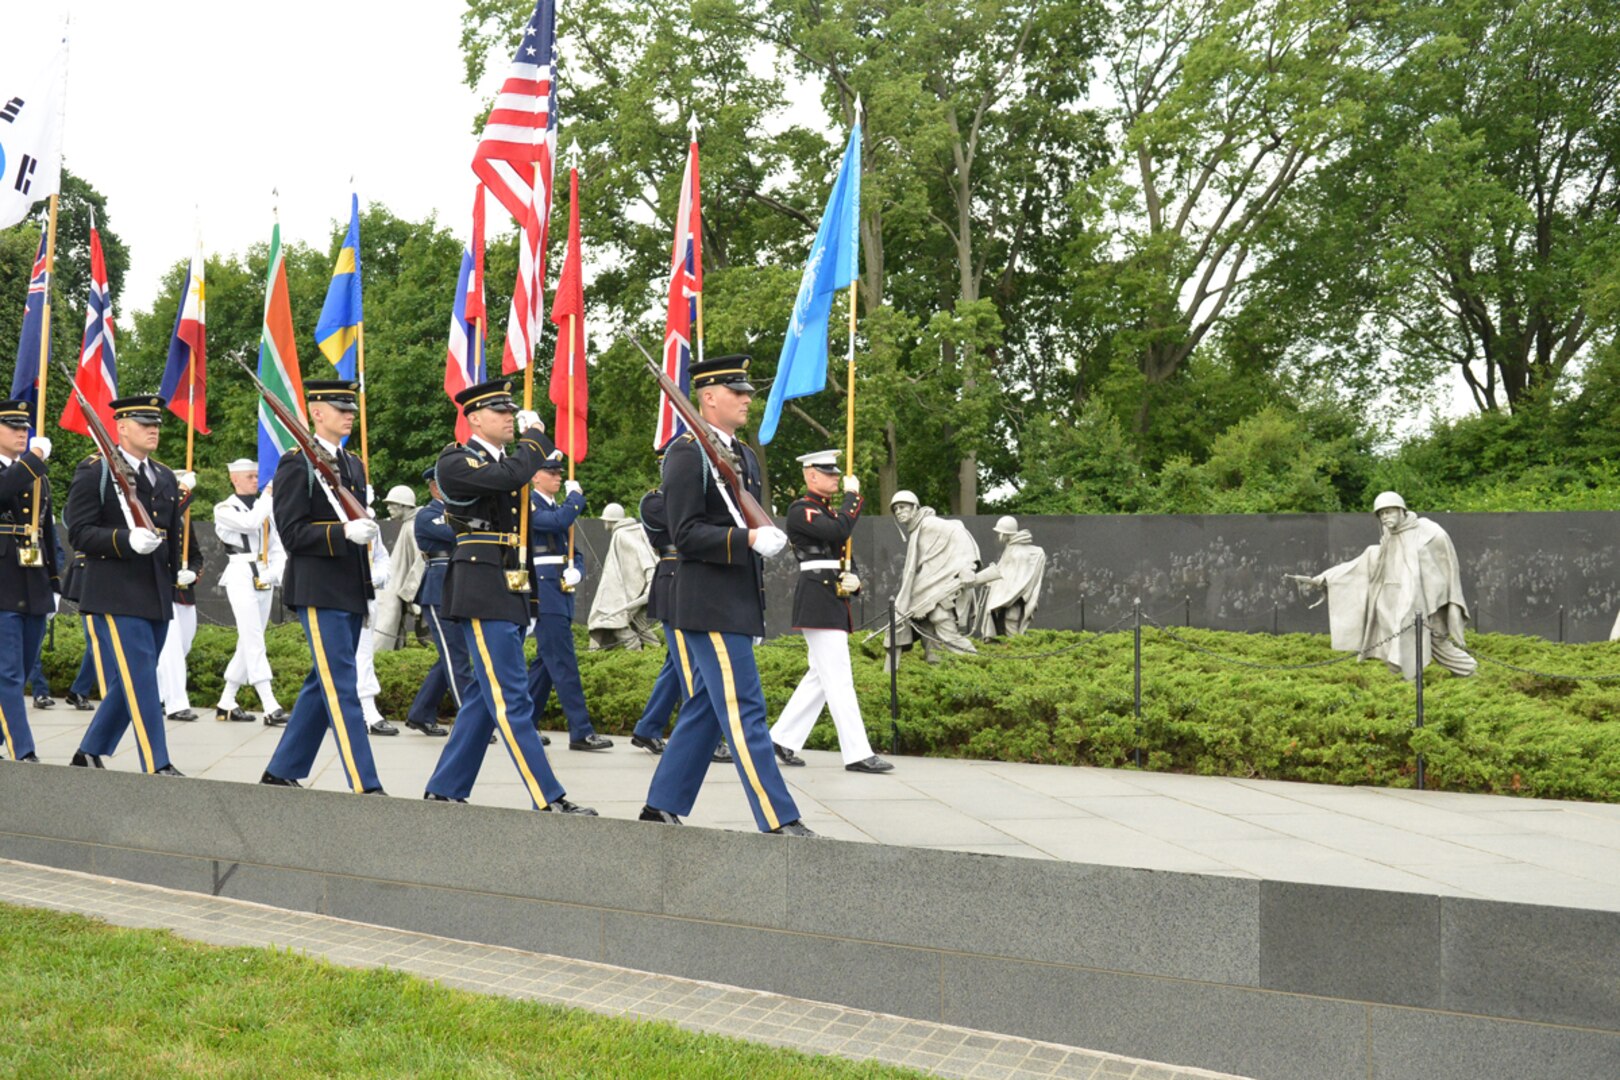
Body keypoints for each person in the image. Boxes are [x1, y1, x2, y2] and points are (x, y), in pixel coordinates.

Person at [639, 354, 812, 835]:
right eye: (737, 392)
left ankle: (661, 804)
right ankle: (778, 818)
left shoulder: (743, 455)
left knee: (708, 709)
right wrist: (748, 540)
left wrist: (762, 535)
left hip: (736, 600)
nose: (747, 400)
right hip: (708, 602)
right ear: (708, 398)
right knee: (744, 709)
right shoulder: (687, 454)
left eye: (747, 392)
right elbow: (687, 533)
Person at [421, 379, 593, 813]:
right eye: (500, 412)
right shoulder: (456, 461)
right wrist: (536, 439)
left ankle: (445, 787)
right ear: (475, 418)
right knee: (513, 696)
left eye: (511, 411)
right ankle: (547, 796)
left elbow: (521, 536)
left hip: (509, 588)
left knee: (485, 693)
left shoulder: (505, 463)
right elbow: (510, 476)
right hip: (479, 587)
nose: (509, 418)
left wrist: (531, 600)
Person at [260, 380, 387, 793]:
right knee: (341, 686)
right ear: (316, 412)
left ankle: (282, 769)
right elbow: (293, 533)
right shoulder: (296, 463)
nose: (349, 414)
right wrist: (341, 532)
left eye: (351, 407)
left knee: (324, 681)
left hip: (350, 587)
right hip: (318, 589)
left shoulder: (352, 463)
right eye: (340, 407)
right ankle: (365, 782)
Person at [66, 394, 187, 775]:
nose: (154, 429)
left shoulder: (164, 475)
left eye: (156, 424)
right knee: (142, 680)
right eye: (144, 423)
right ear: (120, 427)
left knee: (138, 675)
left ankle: (89, 751)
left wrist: (177, 576)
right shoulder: (96, 472)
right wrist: (125, 539)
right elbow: (80, 533)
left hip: (156, 590)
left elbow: (174, 532)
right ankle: (157, 763)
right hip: (115, 591)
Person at [768, 450, 892, 773]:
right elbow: (838, 532)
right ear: (810, 475)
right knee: (838, 678)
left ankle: (781, 738)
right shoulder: (801, 510)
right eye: (828, 472)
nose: (835, 476)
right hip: (817, 599)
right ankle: (857, 753)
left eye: (836, 472)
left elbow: (837, 548)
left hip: (831, 596)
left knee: (821, 677)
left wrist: (855, 583)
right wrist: (853, 497)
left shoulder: (825, 511)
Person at [1289, 491, 1476, 680]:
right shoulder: (1389, 537)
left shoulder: (1428, 532)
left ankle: (1467, 669)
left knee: (1436, 642)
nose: (1385, 517)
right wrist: (1324, 577)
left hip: (1428, 605)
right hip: (1394, 603)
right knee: (1401, 642)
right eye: (1381, 514)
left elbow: (1444, 568)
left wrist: (1433, 600)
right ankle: (1409, 682)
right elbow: (1366, 562)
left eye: (1389, 511)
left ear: (1401, 510)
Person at [627, 449, 731, 764]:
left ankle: (648, 727)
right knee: (691, 670)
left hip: (690, 581)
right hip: (674, 582)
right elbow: (686, 529)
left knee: (676, 665)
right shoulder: (654, 501)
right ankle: (703, 741)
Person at [525, 457, 612, 751]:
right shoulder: (530, 505)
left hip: (559, 588)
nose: (558, 477)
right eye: (551, 473)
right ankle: (581, 731)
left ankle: (524, 723)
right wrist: (576, 498)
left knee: (547, 665)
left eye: (559, 473)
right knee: (563, 662)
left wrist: (576, 567)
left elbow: (572, 548)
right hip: (542, 588)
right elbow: (556, 523)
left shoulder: (554, 506)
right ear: (535, 477)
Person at [0, 401, 59, 763]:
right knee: (6, 671)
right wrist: (33, 460)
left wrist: (53, 582)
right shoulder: (28, 469)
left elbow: (46, 530)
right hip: (2, 582)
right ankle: (24, 750)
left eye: (25, 427)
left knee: (19, 671)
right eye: (13, 427)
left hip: (33, 581)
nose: (23, 432)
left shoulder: (37, 476)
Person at [212, 458, 287, 725]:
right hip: (241, 573)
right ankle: (269, 704)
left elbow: (277, 546)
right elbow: (250, 524)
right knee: (254, 638)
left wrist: (275, 572)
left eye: (258, 476)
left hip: (263, 575)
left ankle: (226, 701)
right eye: (250, 476)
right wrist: (268, 496)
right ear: (234, 479)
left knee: (249, 638)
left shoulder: (264, 506)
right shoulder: (223, 508)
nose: (256, 480)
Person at [887, 490, 981, 664]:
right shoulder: (916, 528)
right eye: (896, 509)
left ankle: (975, 661)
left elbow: (960, 533)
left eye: (902, 507)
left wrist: (968, 567)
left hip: (940, 584)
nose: (899, 511)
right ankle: (934, 666)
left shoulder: (929, 523)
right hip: (925, 587)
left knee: (941, 619)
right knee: (927, 629)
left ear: (915, 507)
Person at [403, 467, 460, 738]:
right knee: (456, 657)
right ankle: (469, 717)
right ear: (435, 487)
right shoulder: (428, 514)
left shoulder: (457, 512)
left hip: (458, 588)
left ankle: (420, 713)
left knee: (452, 655)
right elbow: (453, 535)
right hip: (438, 590)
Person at [156, 480, 202, 721]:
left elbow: (195, 555)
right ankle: (176, 703)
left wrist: (193, 572)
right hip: (162, 588)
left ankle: (160, 695)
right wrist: (184, 488)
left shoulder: (184, 521)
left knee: (183, 646)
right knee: (170, 649)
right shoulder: (158, 516)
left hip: (184, 593)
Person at [585, 503, 660, 652]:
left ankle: (636, 651)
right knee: (638, 622)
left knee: (609, 619)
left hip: (628, 591)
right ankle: (656, 650)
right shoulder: (635, 530)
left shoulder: (622, 534)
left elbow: (642, 555)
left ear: (609, 521)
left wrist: (651, 576)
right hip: (636, 589)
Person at [973, 515, 1046, 638]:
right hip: (1009, 597)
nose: (998, 536)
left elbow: (1017, 580)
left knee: (1010, 622)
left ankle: (1013, 651)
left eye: (999, 533)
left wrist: (1000, 594)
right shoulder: (1012, 547)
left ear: (1004, 533)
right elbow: (1004, 571)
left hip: (1013, 598)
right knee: (1003, 622)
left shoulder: (1018, 552)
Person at [373, 483, 424, 653]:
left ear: (403, 505)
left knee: (383, 632)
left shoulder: (412, 527)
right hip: (396, 589)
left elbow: (421, 562)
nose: (388, 508)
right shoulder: (409, 525)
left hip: (397, 591)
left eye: (391, 504)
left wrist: (410, 595)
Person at [59, 545, 98, 711]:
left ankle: (79, 690)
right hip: (92, 572)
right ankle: (80, 690)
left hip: (104, 574)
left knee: (99, 641)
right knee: (98, 640)